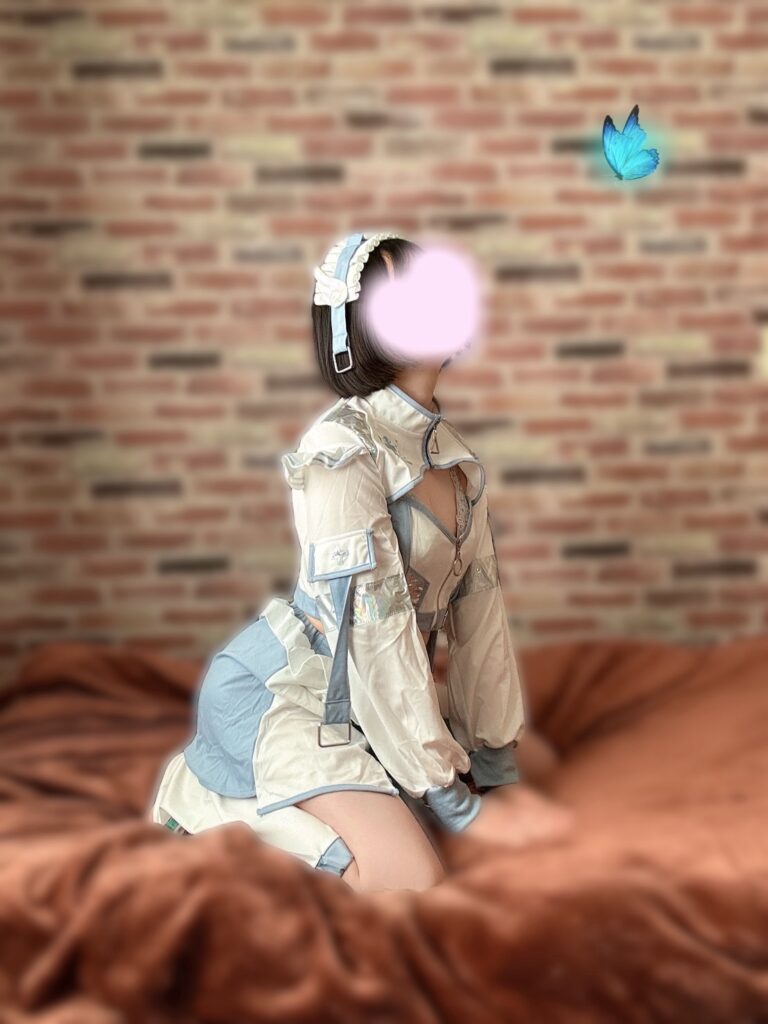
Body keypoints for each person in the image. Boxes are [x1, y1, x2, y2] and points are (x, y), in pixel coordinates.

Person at [148, 231, 566, 893]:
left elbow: (480, 614)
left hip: (381, 691)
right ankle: (222, 807)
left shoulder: (453, 458)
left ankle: (380, 783)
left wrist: (495, 768)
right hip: (292, 694)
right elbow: (375, 631)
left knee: (539, 765)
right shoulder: (340, 451)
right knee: (412, 879)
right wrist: (456, 805)